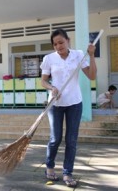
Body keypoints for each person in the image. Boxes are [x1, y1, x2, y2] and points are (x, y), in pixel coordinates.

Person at [40, 28, 97, 187]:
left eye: (61, 42)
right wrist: (52, 88)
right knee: (55, 139)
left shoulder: (79, 55)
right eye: (55, 44)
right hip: (55, 103)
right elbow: (43, 81)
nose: (58, 46)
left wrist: (91, 55)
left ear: (68, 40)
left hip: (74, 103)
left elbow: (92, 76)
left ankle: (67, 172)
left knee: (71, 140)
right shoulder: (49, 59)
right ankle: (50, 166)